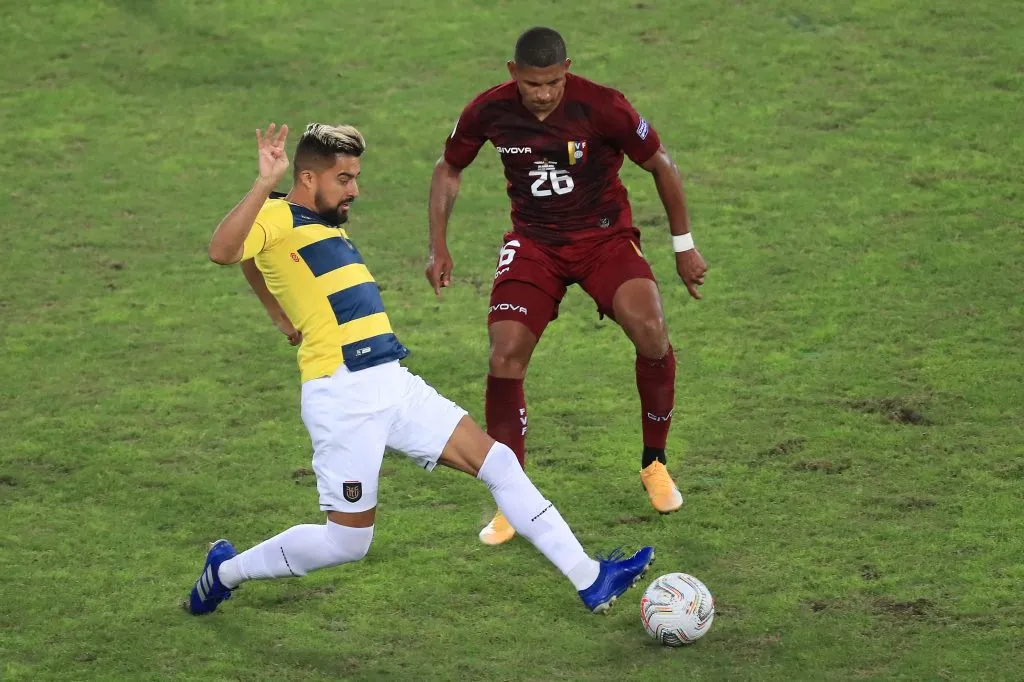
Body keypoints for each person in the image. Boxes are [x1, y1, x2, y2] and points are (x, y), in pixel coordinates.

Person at [185, 121, 654, 617]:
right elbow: (225, 250)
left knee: (497, 463)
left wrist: (277, 312)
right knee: (348, 542)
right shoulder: (277, 215)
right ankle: (225, 572)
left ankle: (590, 579)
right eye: (344, 179)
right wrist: (262, 185)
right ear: (307, 178)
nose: (355, 190)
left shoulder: (315, 222)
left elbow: (253, 259)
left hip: (391, 380)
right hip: (343, 397)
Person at [425, 27, 708, 545]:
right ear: (514, 74)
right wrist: (437, 245)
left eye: (554, 81)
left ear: (568, 69)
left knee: (651, 331)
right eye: (534, 84)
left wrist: (683, 245)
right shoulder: (488, 111)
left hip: (605, 239)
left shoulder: (604, 107)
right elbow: (449, 168)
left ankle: (654, 462)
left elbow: (660, 164)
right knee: (504, 352)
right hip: (535, 244)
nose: (545, 93)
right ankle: (512, 497)